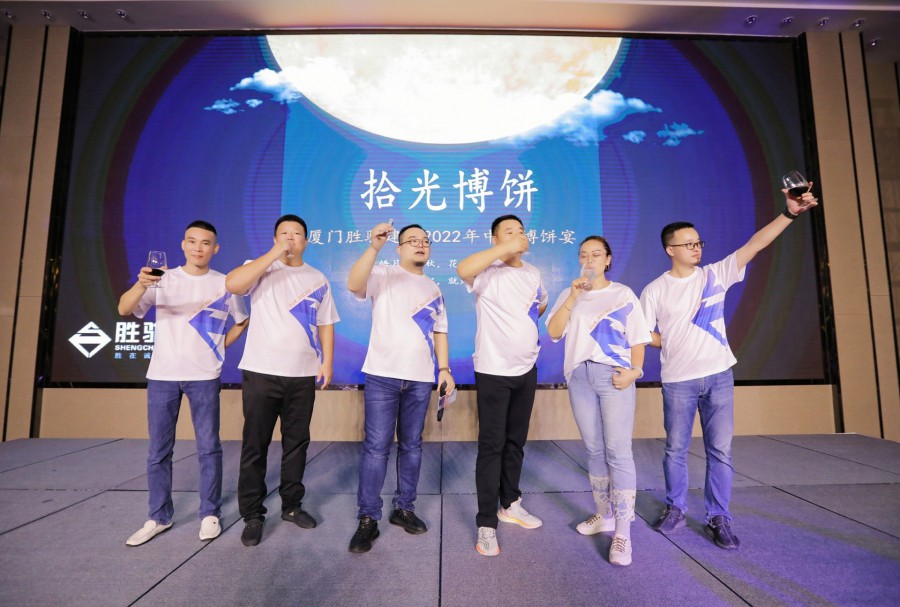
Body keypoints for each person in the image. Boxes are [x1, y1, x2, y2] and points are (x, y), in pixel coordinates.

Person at [640, 185, 818, 550]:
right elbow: (643, 334)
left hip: (719, 376)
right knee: (675, 449)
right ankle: (675, 508)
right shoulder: (654, 290)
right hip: (678, 381)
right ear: (670, 249)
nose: (697, 248)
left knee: (720, 451)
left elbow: (756, 244)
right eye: (688, 244)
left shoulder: (715, 274)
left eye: (698, 242)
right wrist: (671, 339)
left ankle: (718, 517)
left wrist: (790, 213)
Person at [119, 220, 248, 547]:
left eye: (205, 243)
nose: (197, 248)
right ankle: (158, 516)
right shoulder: (163, 278)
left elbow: (242, 320)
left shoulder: (225, 283)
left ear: (215, 248)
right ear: (183, 245)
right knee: (158, 451)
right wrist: (140, 285)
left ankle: (210, 513)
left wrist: (219, 347)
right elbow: (124, 308)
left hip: (204, 376)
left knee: (209, 447)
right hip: (162, 375)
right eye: (192, 241)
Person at [225, 214, 339, 547]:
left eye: (297, 233)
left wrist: (327, 362)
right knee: (255, 444)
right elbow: (233, 285)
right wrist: (273, 255)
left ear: (306, 240)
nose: (290, 238)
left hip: (302, 374)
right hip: (261, 372)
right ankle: (252, 514)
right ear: (275, 238)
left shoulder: (317, 278)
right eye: (284, 233)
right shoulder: (259, 268)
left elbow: (326, 323)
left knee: (297, 443)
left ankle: (291, 505)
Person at [345, 222, 455, 553]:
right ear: (400, 248)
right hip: (382, 375)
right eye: (413, 241)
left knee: (412, 446)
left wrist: (444, 369)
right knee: (376, 448)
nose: (420, 245)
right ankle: (368, 518)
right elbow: (353, 284)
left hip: (420, 378)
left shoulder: (434, 288)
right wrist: (374, 246)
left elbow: (440, 332)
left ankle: (404, 508)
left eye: (425, 241)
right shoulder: (383, 273)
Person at [546, 236, 651, 566]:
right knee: (593, 449)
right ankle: (604, 514)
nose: (589, 260)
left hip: (614, 375)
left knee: (618, 451)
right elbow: (553, 332)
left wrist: (635, 371)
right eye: (583, 255)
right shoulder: (571, 293)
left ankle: (623, 532)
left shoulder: (623, 294)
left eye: (596, 254)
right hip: (579, 377)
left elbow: (638, 338)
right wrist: (572, 297)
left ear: (608, 259)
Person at [456, 214, 549, 557]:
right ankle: (486, 523)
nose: (517, 236)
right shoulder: (487, 272)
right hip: (493, 370)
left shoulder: (533, 273)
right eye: (508, 232)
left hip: (526, 369)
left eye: (520, 231)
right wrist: (505, 249)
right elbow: (462, 268)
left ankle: (509, 503)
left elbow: (540, 304)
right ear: (494, 239)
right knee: (491, 445)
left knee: (515, 442)